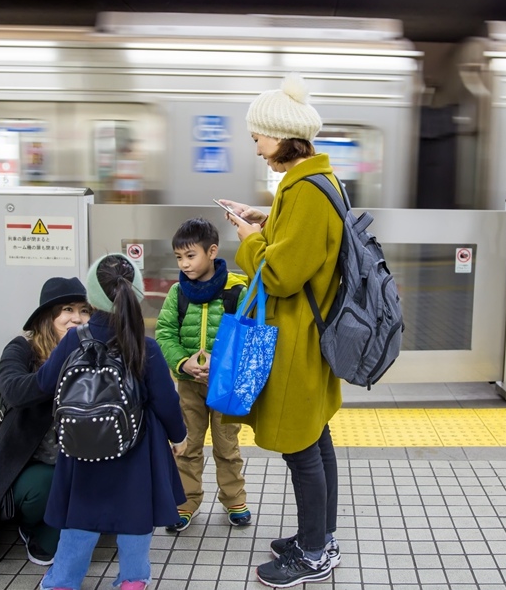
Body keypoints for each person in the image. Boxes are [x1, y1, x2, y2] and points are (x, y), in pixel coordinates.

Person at [219, 74, 344, 588]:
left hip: (297, 341)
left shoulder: (308, 192)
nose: (256, 149)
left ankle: (314, 553)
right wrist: (265, 219)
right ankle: (320, 536)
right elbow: (300, 241)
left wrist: (249, 241)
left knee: (301, 448)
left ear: (284, 137)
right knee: (317, 439)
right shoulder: (312, 183)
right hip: (307, 335)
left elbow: (279, 275)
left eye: (259, 138)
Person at [34, 253, 188, 590]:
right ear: (134, 293)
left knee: (80, 517)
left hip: (80, 448)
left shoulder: (73, 340)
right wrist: (179, 437)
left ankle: (62, 581)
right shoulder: (145, 346)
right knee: (135, 518)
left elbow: (45, 383)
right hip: (136, 449)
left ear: (92, 297)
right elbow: (166, 402)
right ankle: (132, 580)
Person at [0, 277, 92, 586]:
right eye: (66, 309)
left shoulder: (95, 349)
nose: (76, 318)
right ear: (46, 318)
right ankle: (30, 526)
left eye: (84, 310)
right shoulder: (21, 349)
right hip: (30, 466)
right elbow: (14, 390)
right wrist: (60, 365)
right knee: (49, 487)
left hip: (80, 459)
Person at [155, 218, 252, 532]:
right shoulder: (177, 293)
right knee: (186, 445)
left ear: (212, 251)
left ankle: (235, 500)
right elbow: (165, 334)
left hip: (224, 386)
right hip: (188, 386)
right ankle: (185, 503)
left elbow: (247, 337)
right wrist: (183, 363)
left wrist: (221, 364)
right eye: (179, 257)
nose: (184, 264)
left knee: (227, 446)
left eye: (190, 256)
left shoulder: (237, 290)